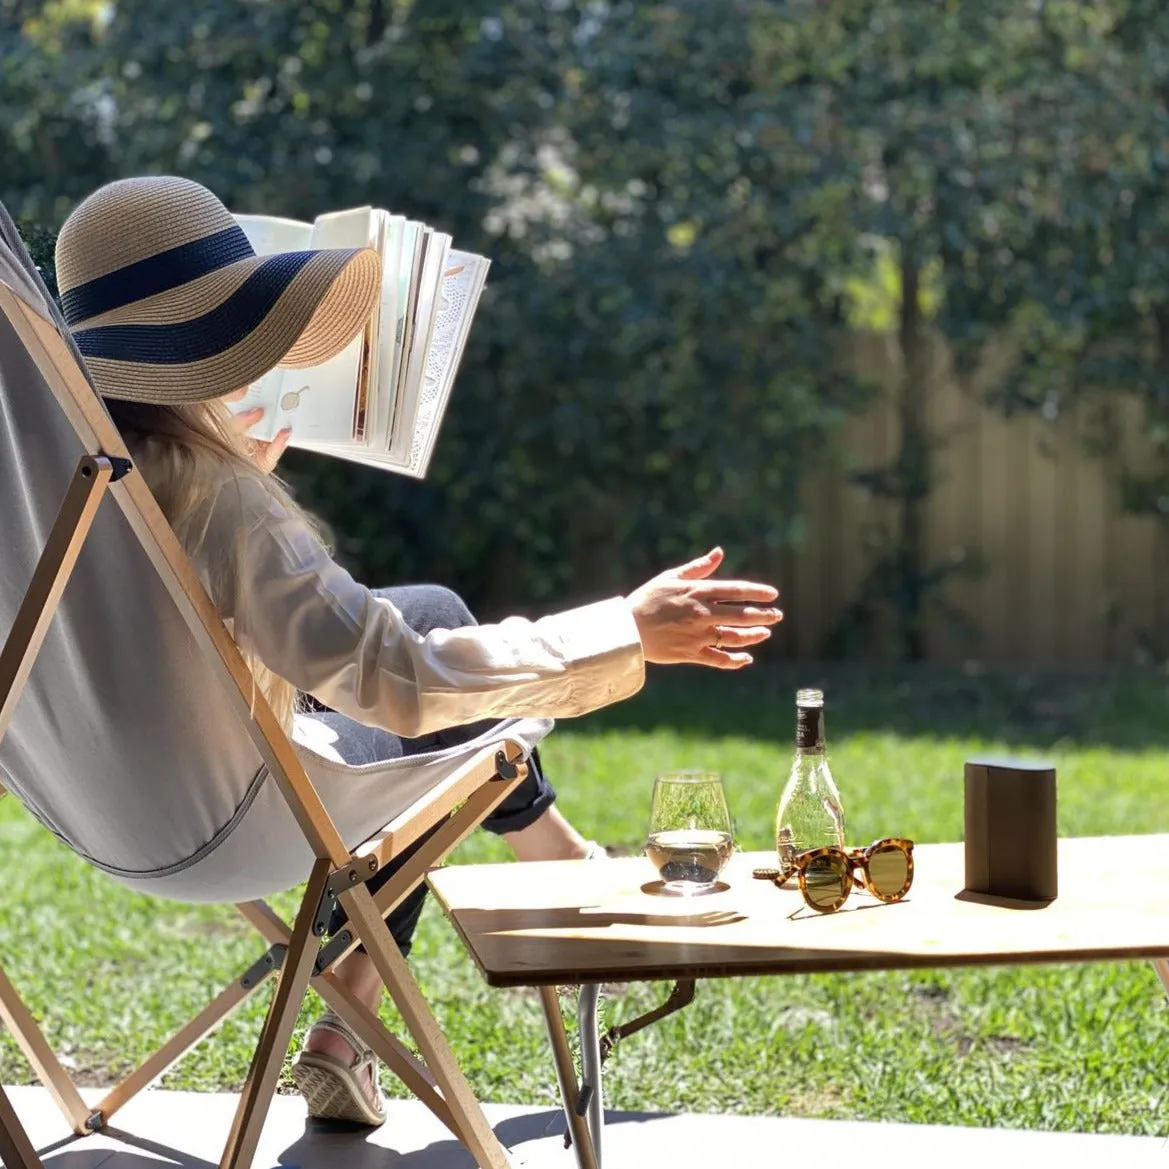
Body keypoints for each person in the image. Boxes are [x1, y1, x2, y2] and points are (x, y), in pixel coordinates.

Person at [52, 175, 782, 1127]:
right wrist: (624, 627)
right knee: (434, 705)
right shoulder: (216, 502)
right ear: (215, 347)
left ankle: (465, 922)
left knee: (432, 605)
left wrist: (236, 483)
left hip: (104, 815)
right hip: (231, 822)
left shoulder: (57, 488)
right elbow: (398, 682)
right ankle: (483, 917)